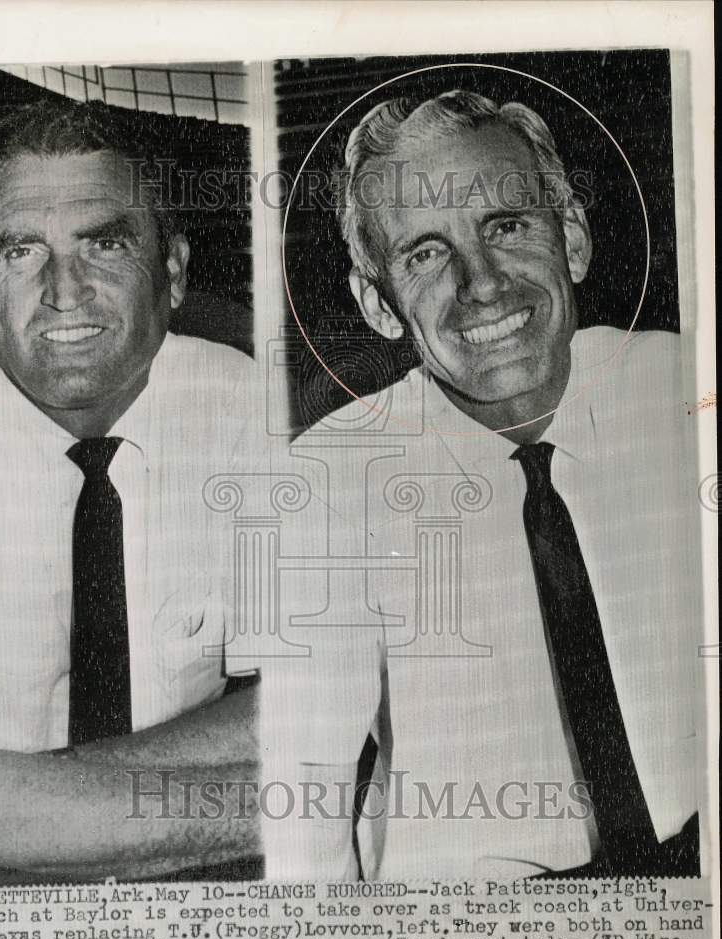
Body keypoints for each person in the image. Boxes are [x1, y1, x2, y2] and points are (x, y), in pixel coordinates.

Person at [264, 90, 702, 880]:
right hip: (467, 926)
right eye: (426, 253)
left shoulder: (685, 392)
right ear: (378, 303)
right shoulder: (330, 482)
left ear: (569, 238)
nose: (483, 284)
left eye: (505, 226)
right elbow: (305, 804)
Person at [0, 99, 264, 882]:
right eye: (23, 252)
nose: (63, 290)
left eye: (106, 244)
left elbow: (312, 706)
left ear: (174, 272)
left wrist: (34, 803)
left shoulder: (247, 410)